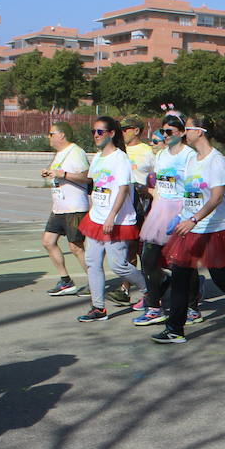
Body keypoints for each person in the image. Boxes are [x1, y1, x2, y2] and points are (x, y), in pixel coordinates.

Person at [150, 117, 225, 344]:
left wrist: (193, 219)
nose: (185, 132)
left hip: (215, 229)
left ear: (200, 132)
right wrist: (180, 219)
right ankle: (175, 329)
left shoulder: (216, 160)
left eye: (188, 128)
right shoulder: (193, 160)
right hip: (191, 227)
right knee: (180, 276)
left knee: (221, 278)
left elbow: (216, 197)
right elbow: (189, 194)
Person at [76, 116, 147, 322]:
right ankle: (98, 307)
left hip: (116, 221)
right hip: (96, 219)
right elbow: (95, 185)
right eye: (94, 132)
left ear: (111, 134)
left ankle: (150, 290)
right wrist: (92, 210)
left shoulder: (120, 158)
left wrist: (111, 216)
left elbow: (124, 189)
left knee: (118, 266)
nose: (96, 136)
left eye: (100, 132)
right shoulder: (98, 157)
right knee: (92, 262)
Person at [134, 114, 197, 328]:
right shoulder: (161, 156)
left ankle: (192, 307)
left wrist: (186, 215)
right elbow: (158, 184)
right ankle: (154, 307)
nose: (165, 135)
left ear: (181, 132)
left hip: (182, 210)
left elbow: (193, 187)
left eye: (169, 131)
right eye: (163, 132)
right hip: (161, 210)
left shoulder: (189, 156)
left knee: (183, 262)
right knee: (149, 258)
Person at [40, 121, 90, 296]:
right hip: (59, 207)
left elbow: (86, 178)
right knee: (48, 241)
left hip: (74, 207)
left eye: (51, 133)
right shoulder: (60, 154)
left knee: (76, 247)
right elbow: (58, 175)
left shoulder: (76, 152)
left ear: (61, 135)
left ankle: (94, 280)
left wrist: (64, 175)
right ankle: (65, 281)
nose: (49, 137)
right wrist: (49, 173)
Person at [121, 115, 156, 277]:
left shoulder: (148, 151)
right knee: (126, 247)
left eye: (125, 129)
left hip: (143, 205)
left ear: (136, 130)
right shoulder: (119, 150)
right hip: (123, 204)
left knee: (141, 248)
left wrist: (149, 192)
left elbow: (157, 177)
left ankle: (149, 283)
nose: (122, 132)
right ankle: (126, 286)